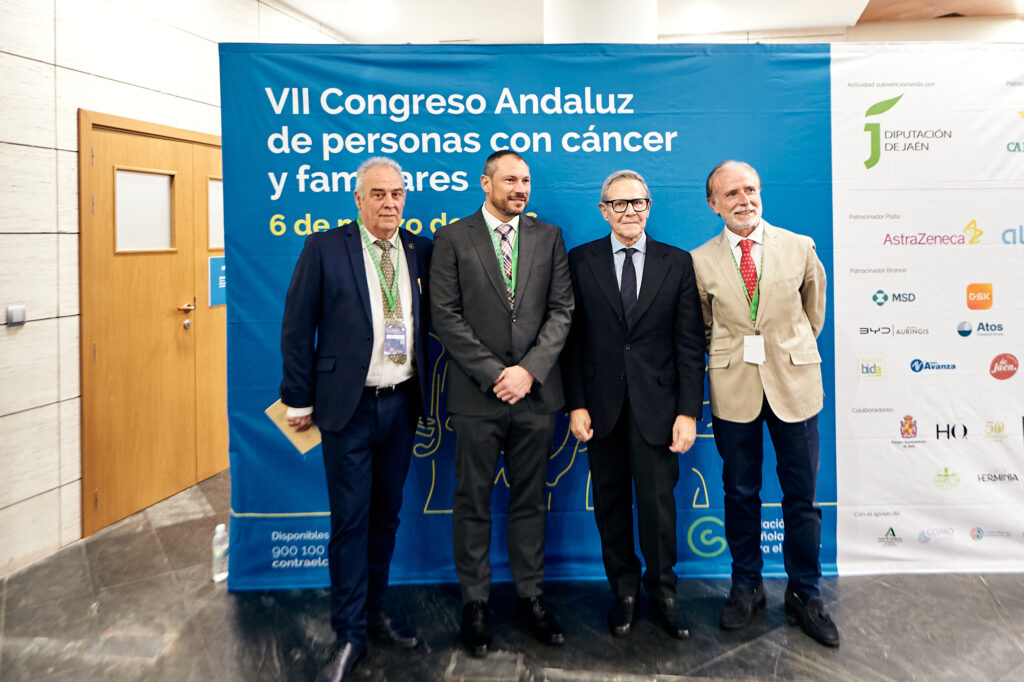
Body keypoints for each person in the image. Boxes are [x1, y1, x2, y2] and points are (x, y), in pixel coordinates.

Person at [280, 157, 433, 682]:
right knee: (350, 522)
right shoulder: (325, 247)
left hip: (402, 404)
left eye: (397, 193)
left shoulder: (418, 250)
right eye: (379, 194)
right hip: (347, 409)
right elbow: (297, 327)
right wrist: (298, 398)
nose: (390, 203)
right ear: (359, 199)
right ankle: (348, 633)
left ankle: (373, 612)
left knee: (386, 516)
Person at [430, 150, 574, 657]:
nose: (521, 188)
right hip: (477, 396)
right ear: (485, 183)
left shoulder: (549, 237)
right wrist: (496, 374)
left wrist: (528, 372)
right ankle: (475, 602)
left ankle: (531, 596)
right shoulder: (452, 238)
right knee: (471, 500)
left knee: (530, 499)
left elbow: (562, 311)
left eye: (526, 180)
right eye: (510, 179)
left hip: (536, 396)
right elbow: (445, 316)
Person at [692, 160, 838, 647]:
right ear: (714, 204)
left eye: (750, 189)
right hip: (734, 389)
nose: (744, 200)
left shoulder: (799, 247)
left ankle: (805, 592)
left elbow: (813, 313)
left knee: (802, 496)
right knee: (739, 492)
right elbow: (703, 326)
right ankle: (746, 586)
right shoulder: (699, 261)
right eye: (732, 193)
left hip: (794, 385)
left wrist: (786, 352)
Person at [562, 170, 705, 640]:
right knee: (611, 505)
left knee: (658, 507)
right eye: (619, 204)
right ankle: (623, 591)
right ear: (603, 210)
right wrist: (576, 404)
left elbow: (689, 344)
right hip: (600, 409)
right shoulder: (580, 260)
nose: (630, 211)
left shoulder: (677, 262)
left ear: (649, 206)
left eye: (638, 202)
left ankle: (663, 593)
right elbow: (572, 341)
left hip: (659, 410)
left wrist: (688, 412)